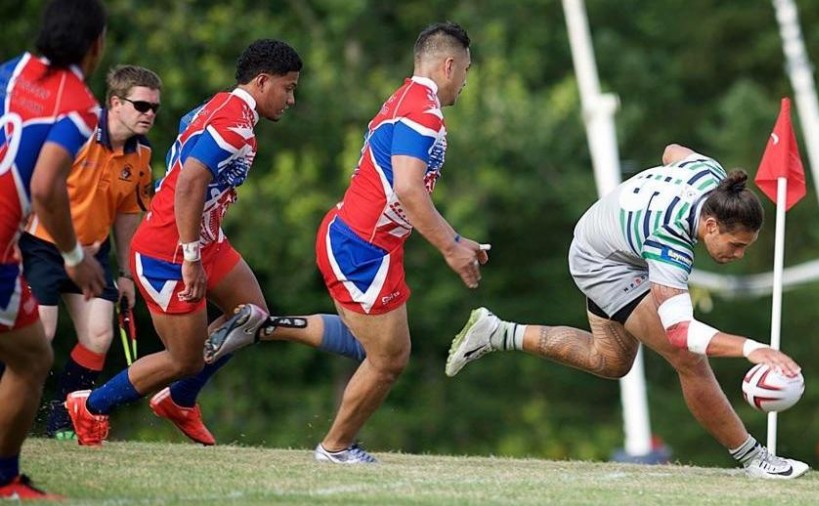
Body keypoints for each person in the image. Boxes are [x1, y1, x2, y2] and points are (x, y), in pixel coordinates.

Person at [203, 21, 484, 464]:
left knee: (367, 345)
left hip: (364, 241)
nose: (466, 81)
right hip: (360, 246)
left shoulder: (409, 99)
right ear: (449, 65)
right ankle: (334, 447)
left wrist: (456, 238)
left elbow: (402, 190)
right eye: (466, 70)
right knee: (390, 358)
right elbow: (409, 190)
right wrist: (449, 247)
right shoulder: (422, 111)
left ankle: (264, 327)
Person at [445, 144, 811, 480]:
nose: (739, 255)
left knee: (611, 361)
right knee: (687, 357)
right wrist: (753, 349)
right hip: (602, 261)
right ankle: (754, 459)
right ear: (711, 225)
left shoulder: (711, 175)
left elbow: (671, 152)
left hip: (609, 239)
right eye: (735, 244)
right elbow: (681, 331)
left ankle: (495, 332)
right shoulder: (669, 236)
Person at [65, 39, 364, 448]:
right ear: (262, 82)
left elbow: (181, 159)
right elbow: (189, 180)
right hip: (167, 252)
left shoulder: (224, 107)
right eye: (288, 87)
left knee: (252, 314)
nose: (291, 98)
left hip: (202, 239)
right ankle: (91, 406)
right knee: (183, 359)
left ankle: (180, 401)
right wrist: (190, 254)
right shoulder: (233, 122)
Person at [0, 0, 107, 499]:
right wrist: (74, 257)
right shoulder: (80, 104)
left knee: (30, 355)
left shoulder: (9, 72)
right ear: (95, 45)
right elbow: (46, 187)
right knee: (31, 361)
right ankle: (4, 480)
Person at [19, 65, 161, 441]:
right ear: (115, 103)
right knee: (39, 335)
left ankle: (63, 420)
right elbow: (32, 181)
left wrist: (127, 273)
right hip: (42, 247)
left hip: (92, 256)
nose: (149, 114)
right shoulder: (75, 135)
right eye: (142, 105)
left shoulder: (141, 155)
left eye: (154, 108)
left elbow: (129, 217)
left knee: (98, 336)